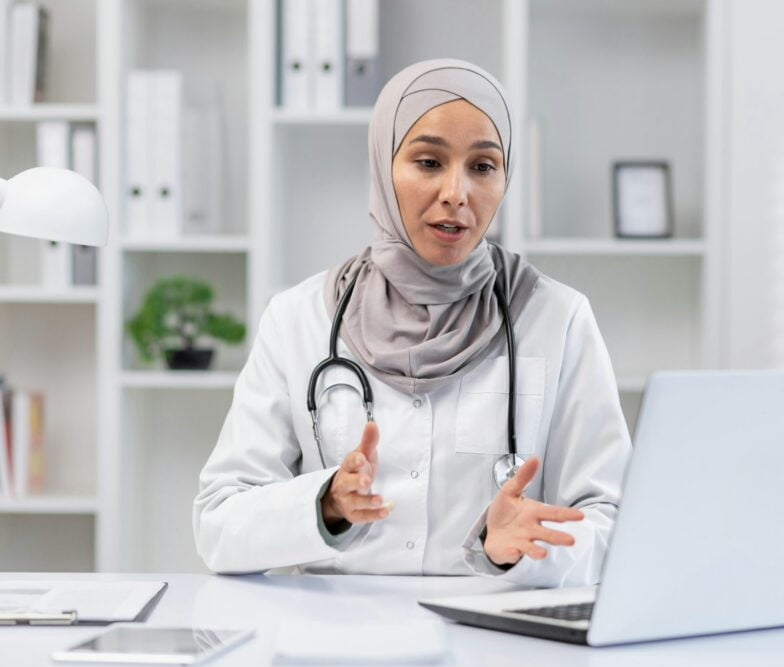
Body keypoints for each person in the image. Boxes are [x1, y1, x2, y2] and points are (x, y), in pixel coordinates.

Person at [193, 59, 630, 588]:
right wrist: (323, 505)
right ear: (383, 164)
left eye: (483, 167)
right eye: (428, 162)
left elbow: (615, 522)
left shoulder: (556, 318)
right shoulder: (298, 318)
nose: (456, 192)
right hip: (336, 643)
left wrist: (522, 550)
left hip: (493, 645)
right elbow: (218, 522)